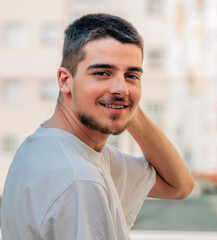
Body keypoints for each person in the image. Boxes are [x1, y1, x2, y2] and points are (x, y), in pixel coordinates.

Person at [1, 13, 194, 240]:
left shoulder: (45, 146)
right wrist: (120, 102)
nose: (121, 87)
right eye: (103, 73)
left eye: (131, 75)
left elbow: (180, 185)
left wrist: (127, 107)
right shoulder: (79, 179)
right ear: (65, 80)